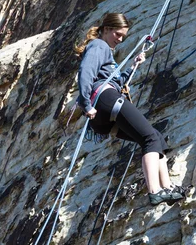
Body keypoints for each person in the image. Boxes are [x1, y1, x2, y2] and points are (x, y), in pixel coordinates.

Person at [76, 12, 184, 206]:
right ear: (106, 29)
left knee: (155, 138)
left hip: (103, 113)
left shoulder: (105, 51)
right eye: (117, 34)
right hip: (104, 101)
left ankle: (167, 188)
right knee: (150, 138)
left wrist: (132, 66)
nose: (119, 39)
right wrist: (86, 104)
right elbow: (86, 72)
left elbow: (113, 81)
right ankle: (155, 190)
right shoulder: (99, 45)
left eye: (123, 37)